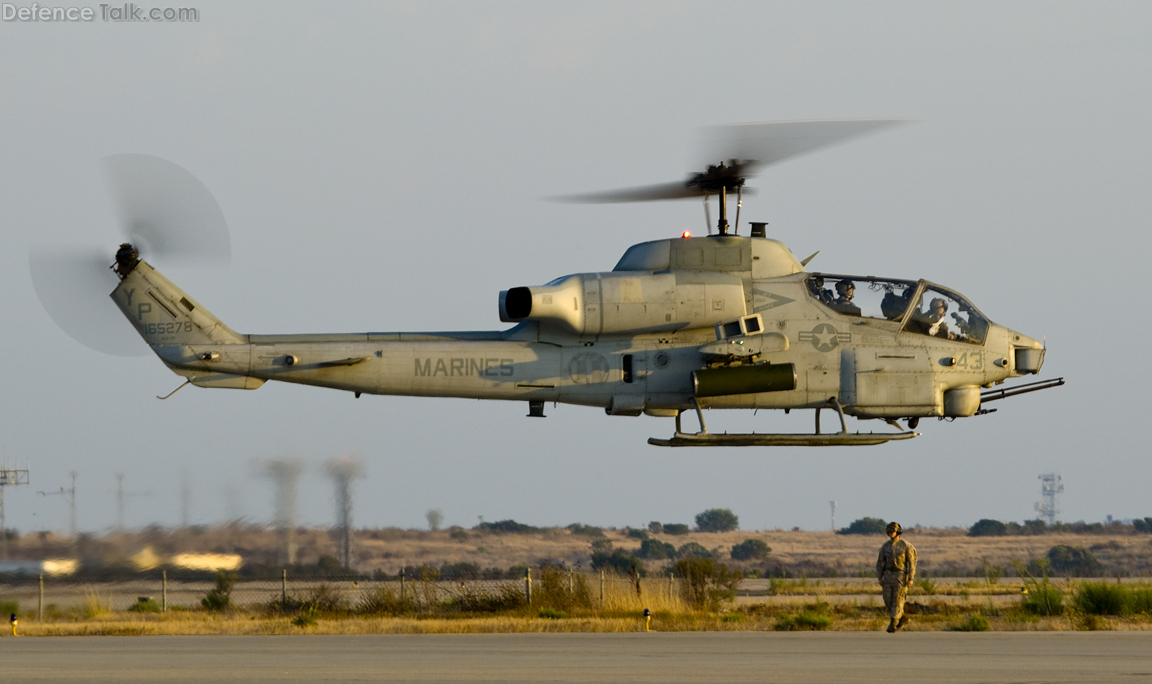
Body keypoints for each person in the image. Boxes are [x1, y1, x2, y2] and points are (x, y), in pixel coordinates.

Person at [876, 521, 916, 632]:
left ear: (898, 531)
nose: (890, 533)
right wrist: (880, 577)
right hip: (888, 576)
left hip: (901, 576)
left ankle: (893, 623)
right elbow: (880, 563)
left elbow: (911, 563)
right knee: (888, 600)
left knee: (898, 600)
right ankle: (901, 618)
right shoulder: (885, 547)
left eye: (892, 531)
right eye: (888, 531)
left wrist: (911, 577)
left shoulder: (906, 545)